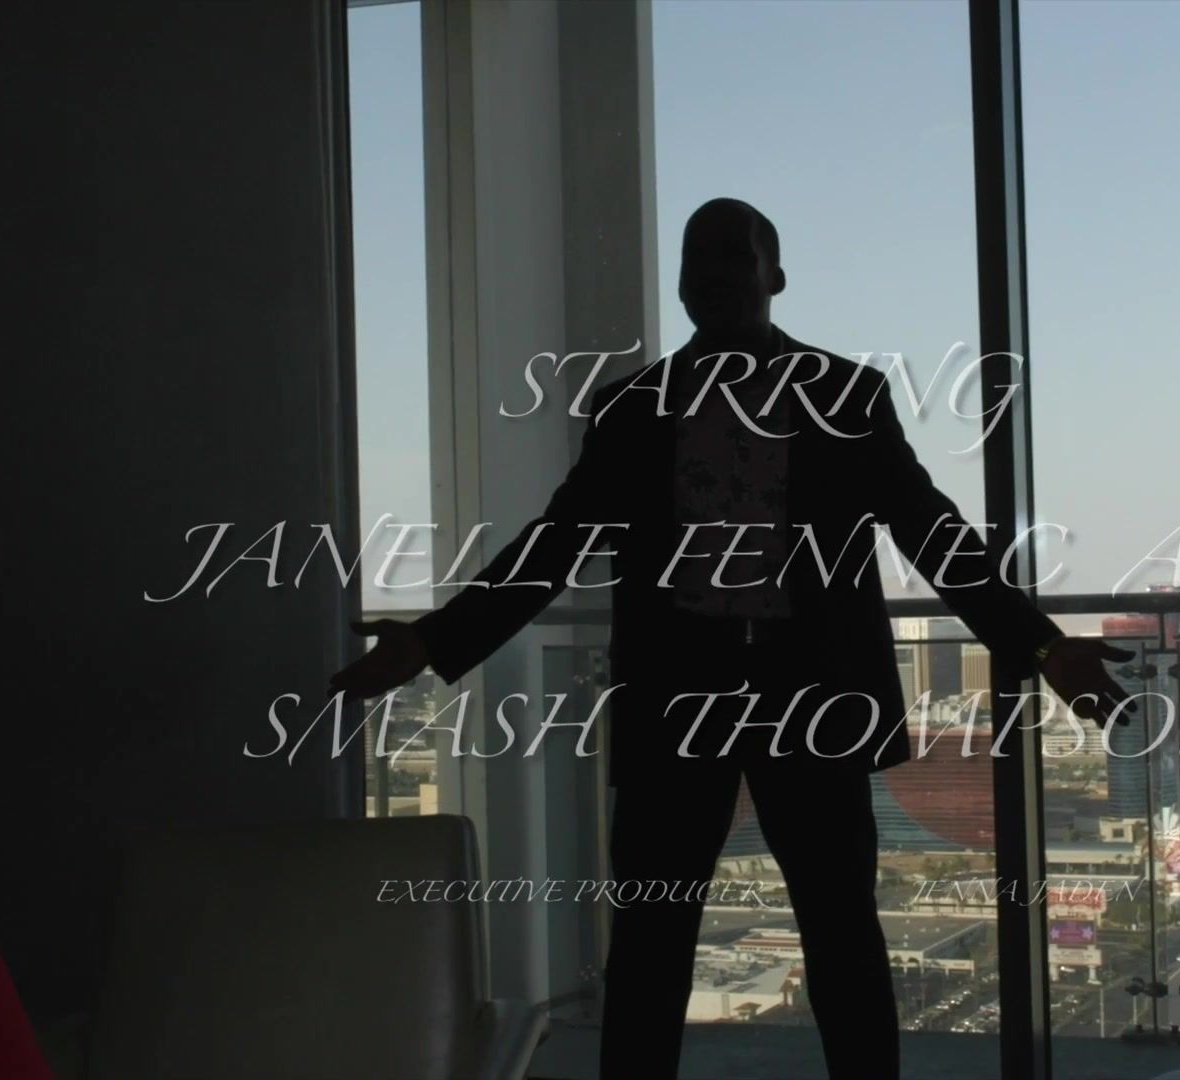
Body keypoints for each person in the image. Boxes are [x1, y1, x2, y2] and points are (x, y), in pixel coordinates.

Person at [330, 198, 1134, 1078]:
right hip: (681, 704)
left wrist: (1042, 645)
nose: (710, 275)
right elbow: (554, 545)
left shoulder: (846, 396)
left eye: (731, 256)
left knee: (838, 936)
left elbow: (929, 530)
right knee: (652, 942)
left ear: (775, 276)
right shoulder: (630, 409)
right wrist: (434, 641)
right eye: (696, 261)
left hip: (810, 701)